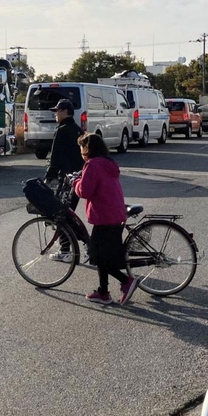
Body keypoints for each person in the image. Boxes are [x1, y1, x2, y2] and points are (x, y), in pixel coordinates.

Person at [72, 132, 139, 306]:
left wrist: (75, 182)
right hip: (114, 214)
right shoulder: (108, 163)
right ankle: (103, 292)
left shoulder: (92, 164)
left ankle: (126, 281)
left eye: (82, 147)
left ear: (88, 148)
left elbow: (85, 191)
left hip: (104, 217)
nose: (80, 151)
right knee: (102, 255)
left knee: (98, 256)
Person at [46, 99, 85, 263]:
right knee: (68, 214)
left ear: (65, 111)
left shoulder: (62, 130)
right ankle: (79, 244)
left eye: (57, 111)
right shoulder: (78, 130)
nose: (55, 114)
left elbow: (55, 157)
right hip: (78, 178)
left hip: (66, 180)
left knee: (61, 214)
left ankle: (65, 250)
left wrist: (48, 178)